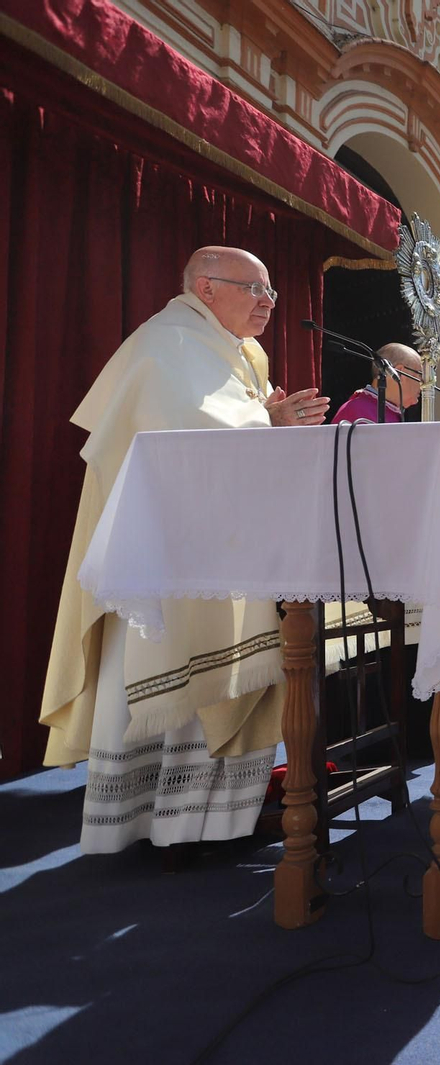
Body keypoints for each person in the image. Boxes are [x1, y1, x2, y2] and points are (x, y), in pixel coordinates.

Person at [40, 246, 331, 853]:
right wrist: (270, 426)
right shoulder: (165, 344)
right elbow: (178, 440)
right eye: (255, 289)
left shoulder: (240, 353)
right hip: (167, 561)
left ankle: (222, 818)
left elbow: (232, 428)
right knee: (170, 669)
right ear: (206, 288)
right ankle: (162, 823)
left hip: (227, 547)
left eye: (271, 291)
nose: (268, 303)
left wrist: (270, 419)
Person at [330, 342, 424, 423]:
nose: (422, 383)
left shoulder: (391, 411)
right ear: (399, 372)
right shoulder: (357, 411)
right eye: (419, 374)